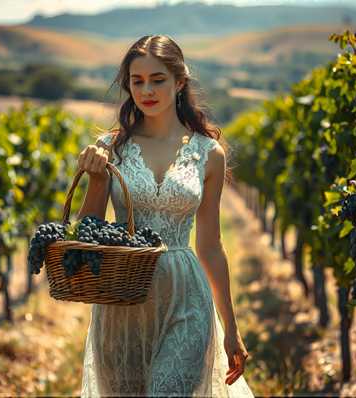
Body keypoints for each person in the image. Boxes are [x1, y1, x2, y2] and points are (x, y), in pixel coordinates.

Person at [77, 34, 254, 397]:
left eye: (157, 79)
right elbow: (87, 235)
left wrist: (231, 328)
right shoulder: (111, 148)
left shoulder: (209, 154)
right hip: (122, 299)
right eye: (137, 81)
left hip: (186, 298)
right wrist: (96, 180)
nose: (147, 90)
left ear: (179, 81)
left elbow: (211, 247)